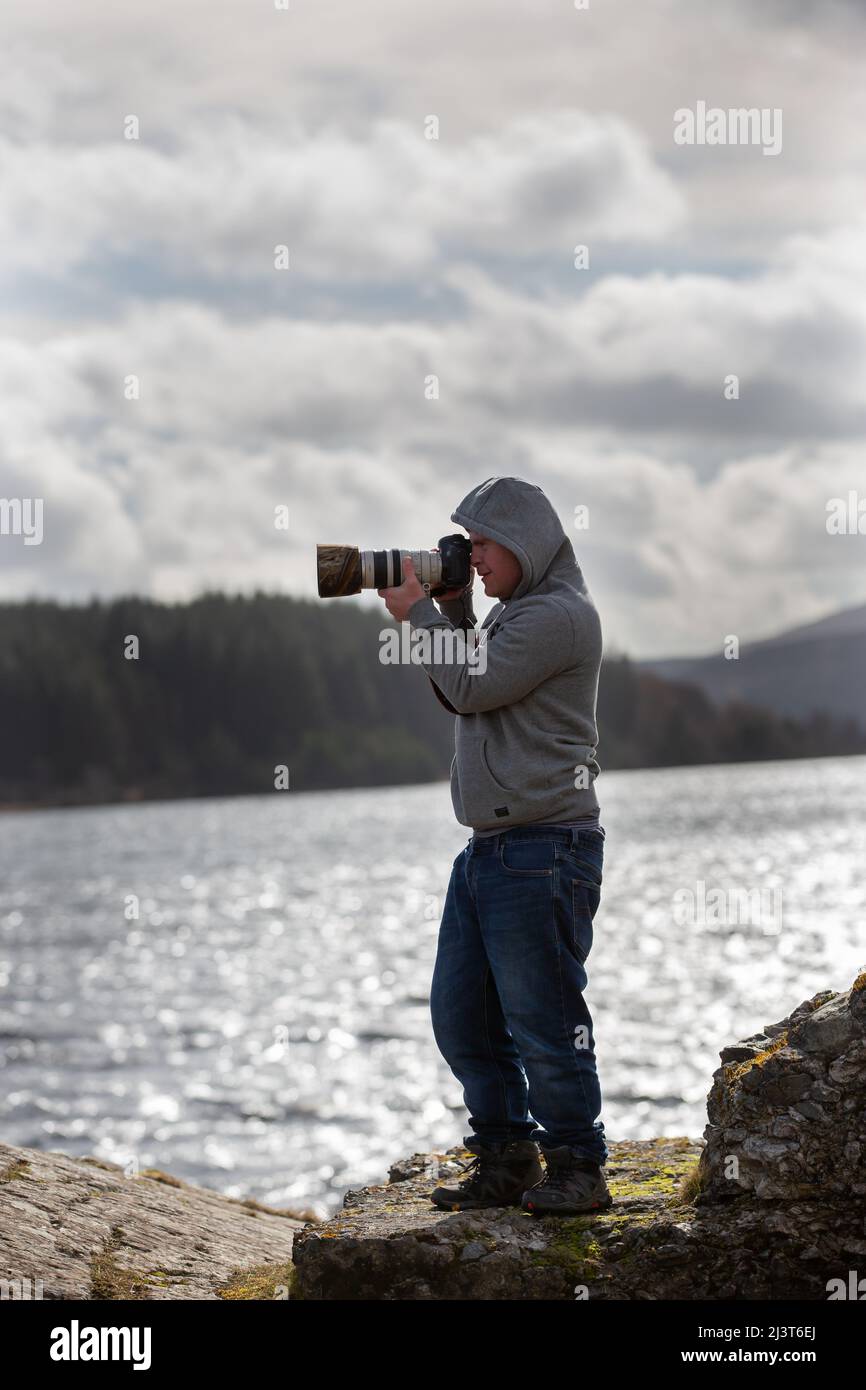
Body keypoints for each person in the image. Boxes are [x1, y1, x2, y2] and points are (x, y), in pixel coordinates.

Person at [377, 476, 611, 1216]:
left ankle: (579, 1165)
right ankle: (508, 1157)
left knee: (544, 1017)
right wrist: (448, 607)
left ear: (524, 542)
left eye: (481, 543)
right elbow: (462, 685)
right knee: (462, 1017)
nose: (470, 556)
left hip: (544, 845)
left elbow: (473, 684)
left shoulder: (559, 615)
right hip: (491, 851)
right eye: (467, 544)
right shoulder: (518, 614)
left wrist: (417, 611)